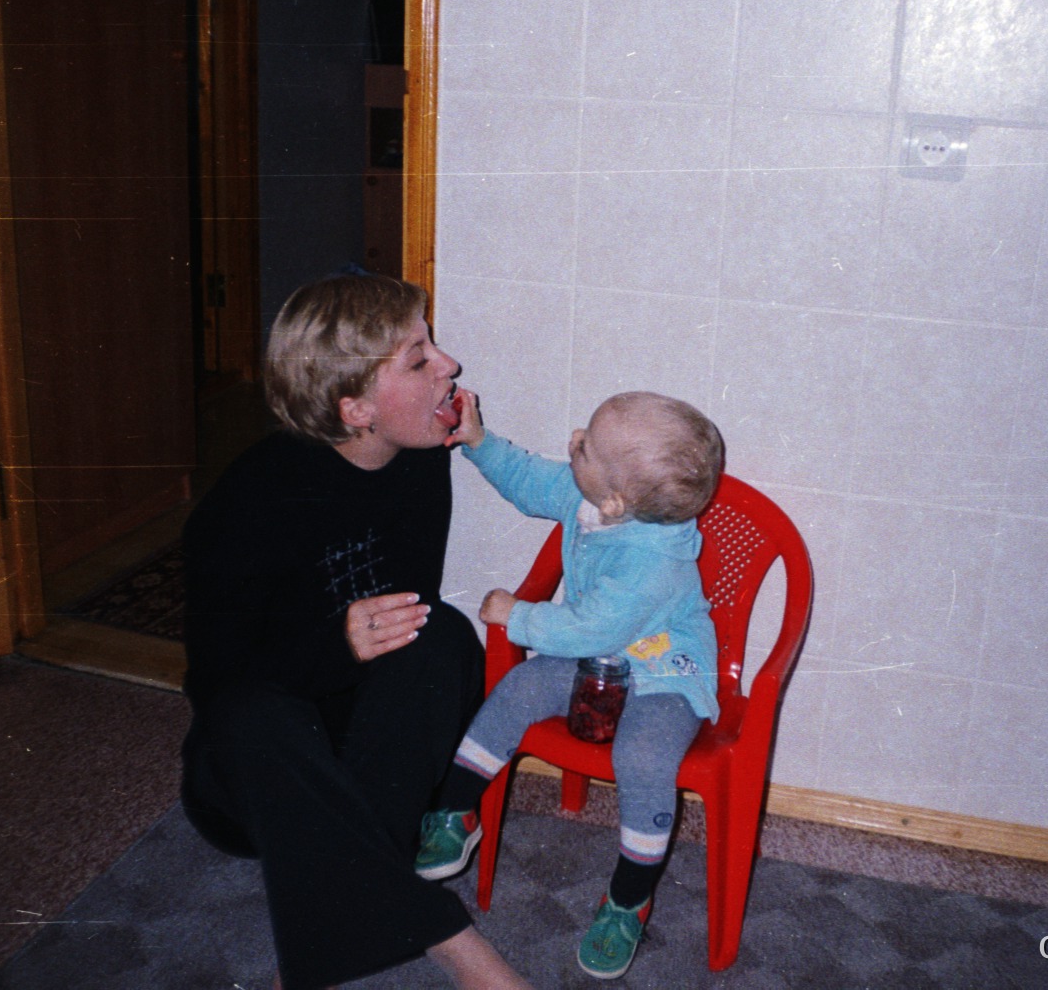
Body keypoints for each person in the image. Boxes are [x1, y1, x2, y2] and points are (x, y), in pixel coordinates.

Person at [178, 274, 531, 989]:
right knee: (254, 712)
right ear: (356, 408)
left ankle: (324, 934)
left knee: (445, 639)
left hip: (365, 780)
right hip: (257, 786)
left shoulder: (420, 464)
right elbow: (215, 687)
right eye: (418, 358)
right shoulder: (254, 497)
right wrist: (336, 645)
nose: (451, 365)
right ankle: (459, 945)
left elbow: (406, 650)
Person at [412, 390, 724, 980]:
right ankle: (458, 811)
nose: (574, 438)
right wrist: (480, 442)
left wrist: (519, 615)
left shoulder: (653, 562)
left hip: (662, 670)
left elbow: (590, 626)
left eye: (586, 446)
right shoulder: (591, 498)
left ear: (614, 497)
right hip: (598, 657)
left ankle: (629, 899)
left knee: (644, 755)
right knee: (519, 688)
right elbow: (530, 479)